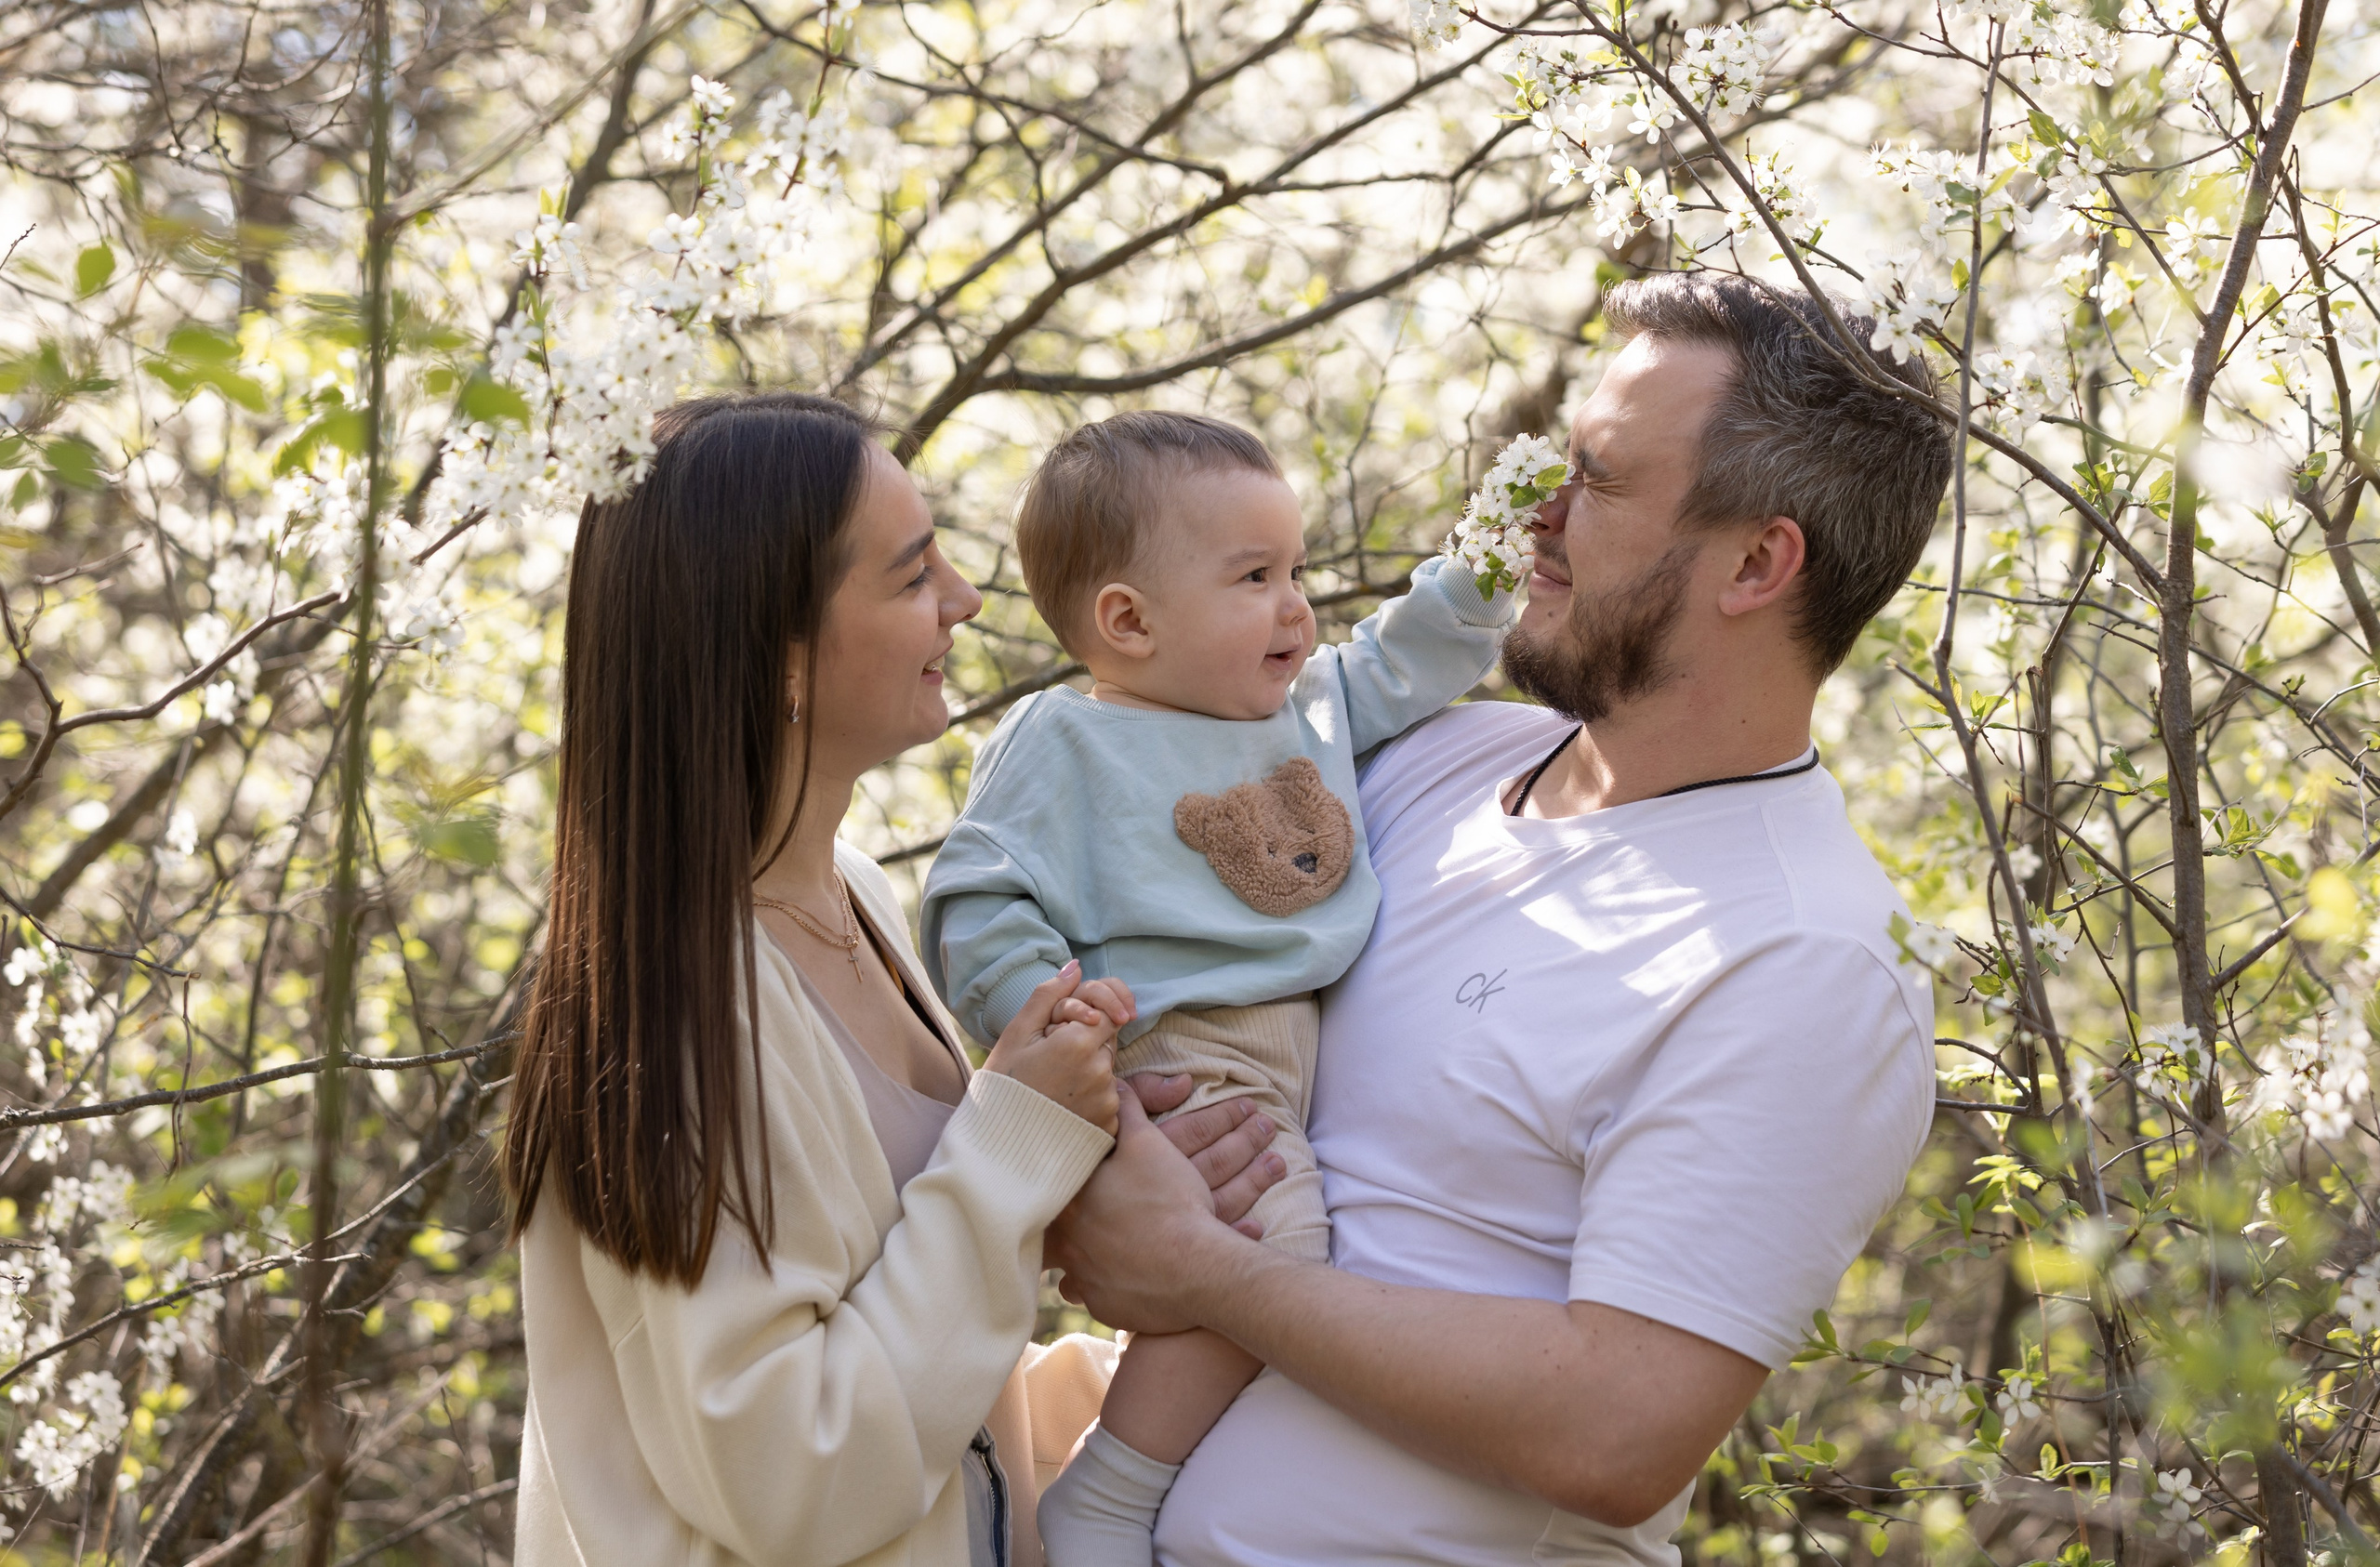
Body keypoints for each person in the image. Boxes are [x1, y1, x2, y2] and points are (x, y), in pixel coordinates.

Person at [1044, 272, 1959, 1566]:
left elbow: (1616, 1428)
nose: (1540, 514)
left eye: (1598, 479)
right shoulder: (1427, 763)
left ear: (1758, 562)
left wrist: (1206, 1274)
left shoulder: (1800, 955)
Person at [503, 392, 1285, 1567]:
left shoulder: (854, 896)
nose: (966, 602)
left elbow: (924, 1383)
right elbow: (796, 1481)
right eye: (914, 575)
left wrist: (1186, 1323)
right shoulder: (675, 1012)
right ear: (784, 659)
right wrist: (1013, 1147)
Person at [919, 412, 1516, 1565]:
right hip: (1168, 1049)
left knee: (1268, 1259)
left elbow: (1410, 653)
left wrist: (1489, 562)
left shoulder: (1309, 707)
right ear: (1128, 622)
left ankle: (1171, 1462)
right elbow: (976, 892)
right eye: (1253, 577)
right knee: (1273, 1256)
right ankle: (1109, 1491)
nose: (1296, 605)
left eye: (1294, 571)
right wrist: (1046, 1016)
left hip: (1282, 1053)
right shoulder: (1067, 743)